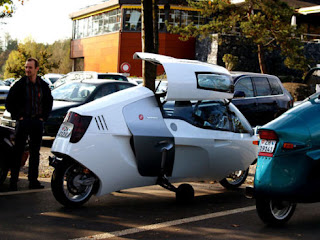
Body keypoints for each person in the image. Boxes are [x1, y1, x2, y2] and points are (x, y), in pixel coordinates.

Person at [5, 58, 53, 191]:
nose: (27, 70)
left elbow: (49, 102)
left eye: (30, 67)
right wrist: (18, 116)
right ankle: (13, 182)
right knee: (18, 151)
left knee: (35, 152)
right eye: (26, 67)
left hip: (37, 122)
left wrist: (43, 117)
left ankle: (33, 181)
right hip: (23, 122)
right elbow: (9, 103)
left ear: (37, 69)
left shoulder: (42, 85)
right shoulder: (19, 84)